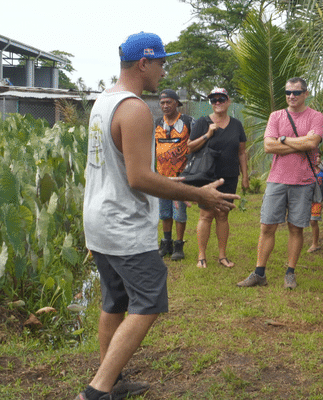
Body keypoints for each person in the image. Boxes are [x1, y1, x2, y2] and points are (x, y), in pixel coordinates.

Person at [78, 32, 239, 400]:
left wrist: (176, 181)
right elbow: (139, 178)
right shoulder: (134, 108)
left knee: (114, 301)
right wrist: (199, 194)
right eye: (162, 62)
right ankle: (97, 391)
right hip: (123, 225)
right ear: (143, 63)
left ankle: (112, 379)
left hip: (99, 219)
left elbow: (124, 168)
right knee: (149, 299)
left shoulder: (103, 101)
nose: (164, 70)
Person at [237, 77, 323, 289]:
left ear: (306, 93)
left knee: (296, 228)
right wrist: (300, 143)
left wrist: (283, 140)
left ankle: (290, 273)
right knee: (267, 226)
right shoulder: (276, 116)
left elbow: (313, 142)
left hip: (303, 181)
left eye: (296, 92)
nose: (291, 96)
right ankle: (259, 273)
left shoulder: (316, 116)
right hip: (277, 179)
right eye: (288, 93)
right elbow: (268, 146)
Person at [188, 88, 249, 268]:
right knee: (206, 214)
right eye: (213, 100)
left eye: (221, 99)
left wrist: (245, 176)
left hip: (229, 175)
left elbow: (242, 152)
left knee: (223, 214)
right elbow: (190, 147)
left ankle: (222, 256)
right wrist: (208, 134)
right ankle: (201, 256)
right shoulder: (202, 122)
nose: (217, 102)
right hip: (207, 176)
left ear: (228, 101)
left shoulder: (237, 125)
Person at [154, 89, 194, 261]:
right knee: (164, 212)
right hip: (162, 176)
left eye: (169, 102)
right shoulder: (157, 123)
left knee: (179, 212)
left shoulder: (187, 121)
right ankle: (166, 243)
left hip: (180, 176)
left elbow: (196, 145)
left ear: (177, 103)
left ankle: (179, 245)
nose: (165, 106)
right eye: (162, 103)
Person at [307, 152, 323, 253]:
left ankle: (315, 244)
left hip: (317, 200)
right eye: (315, 157)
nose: (317, 159)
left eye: (319, 157)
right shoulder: (308, 171)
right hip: (307, 199)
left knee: (313, 221)